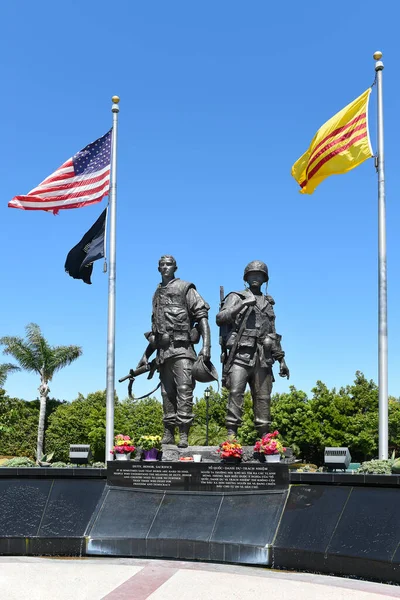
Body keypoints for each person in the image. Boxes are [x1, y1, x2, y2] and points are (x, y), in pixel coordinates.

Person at [136, 255, 211, 448]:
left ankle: (184, 434)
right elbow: (156, 330)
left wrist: (206, 348)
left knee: (184, 391)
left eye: (168, 264)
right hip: (163, 353)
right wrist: (146, 355)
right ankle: (168, 432)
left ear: (175, 267)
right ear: (158, 268)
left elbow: (203, 319)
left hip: (183, 350)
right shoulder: (157, 294)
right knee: (166, 394)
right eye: (162, 265)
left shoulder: (186, 288)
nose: (165, 267)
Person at [216, 260, 289, 438]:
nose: (255, 278)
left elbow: (273, 333)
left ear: (265, 279)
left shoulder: (268, 303)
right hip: (241, 353)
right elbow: (220, 318)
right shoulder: (237, 297)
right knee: (235, 393)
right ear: (246, 278)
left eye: (259, 275)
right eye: (252, 275)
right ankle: (231, 435)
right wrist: (243, 304)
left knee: (263, 397)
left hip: (264, 356)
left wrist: (281, 360)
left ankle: (265, 439)